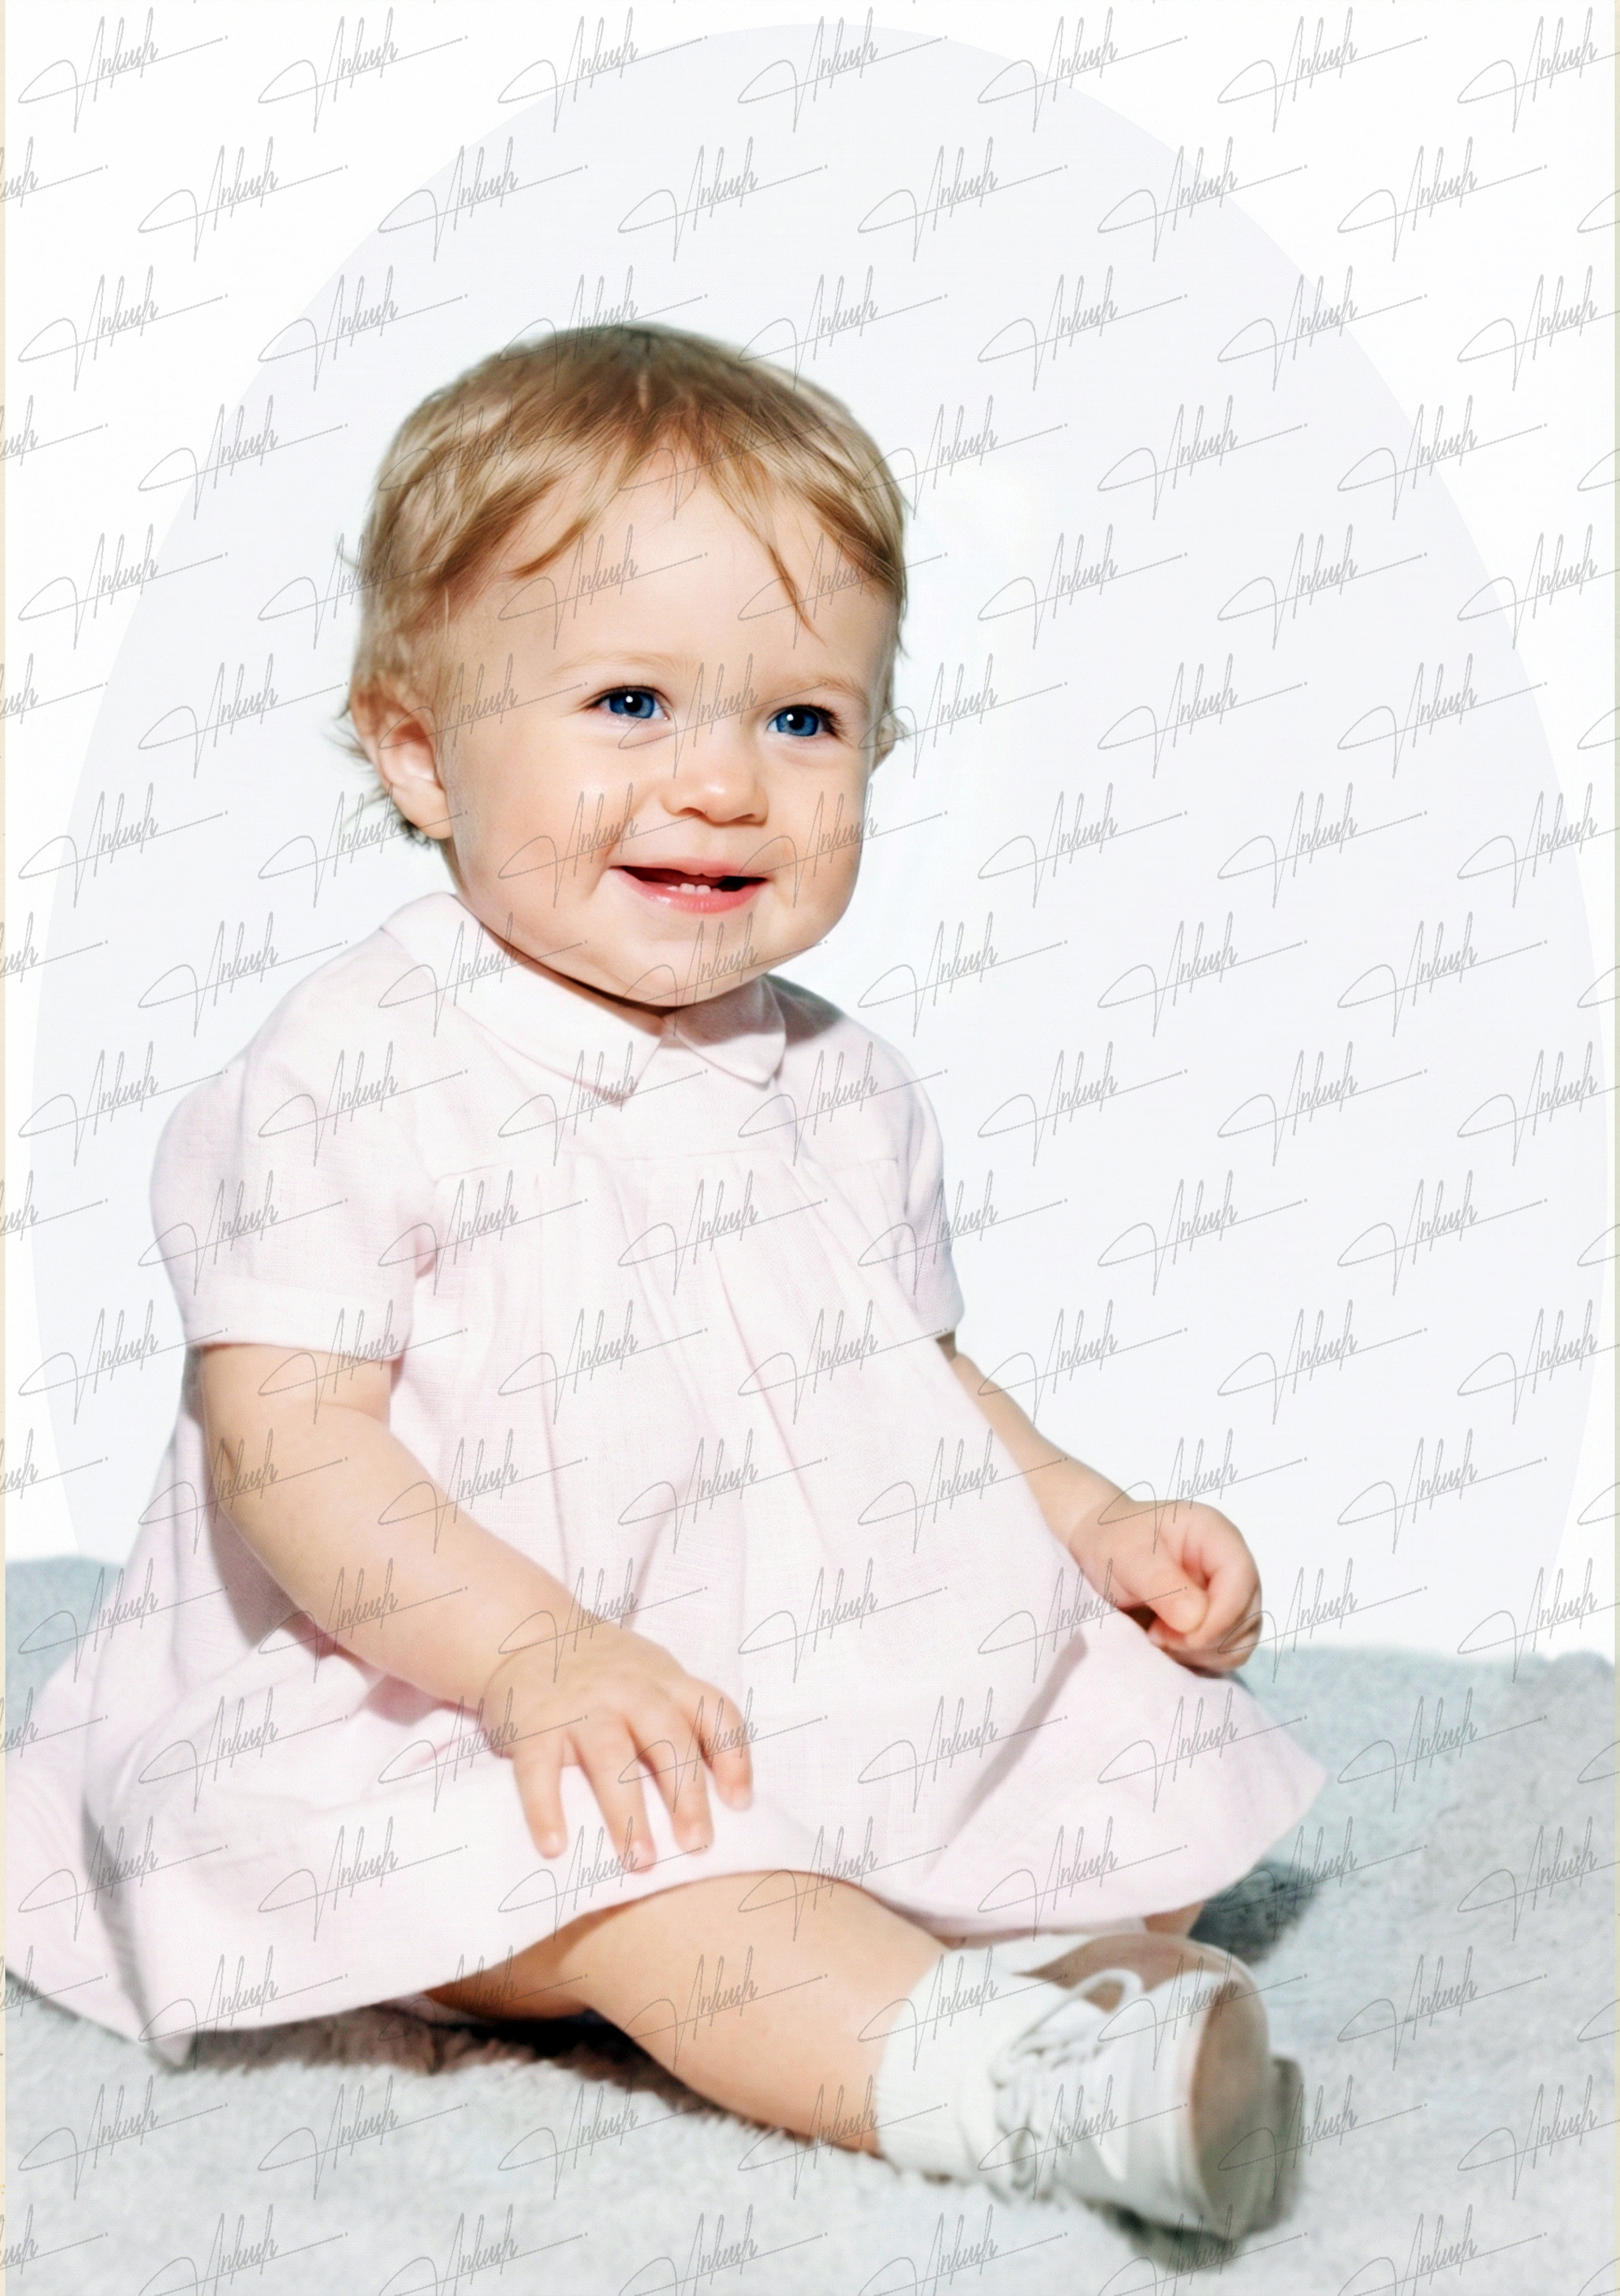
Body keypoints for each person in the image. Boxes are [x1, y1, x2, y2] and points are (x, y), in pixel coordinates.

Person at [8, 324, 1324, 2240]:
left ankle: (1021, 1982)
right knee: (661, 1876)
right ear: (417, 752)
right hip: (440, 1686)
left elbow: (917, 1377)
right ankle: (990, 2084)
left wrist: (1087, 1518)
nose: (722, 783)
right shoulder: (356, 1065)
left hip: (770, 1649)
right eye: (629, 702)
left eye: (803, 721)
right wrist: (532, 1659)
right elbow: (285, 1448)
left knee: (1117, 1746)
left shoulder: (843, 1085)